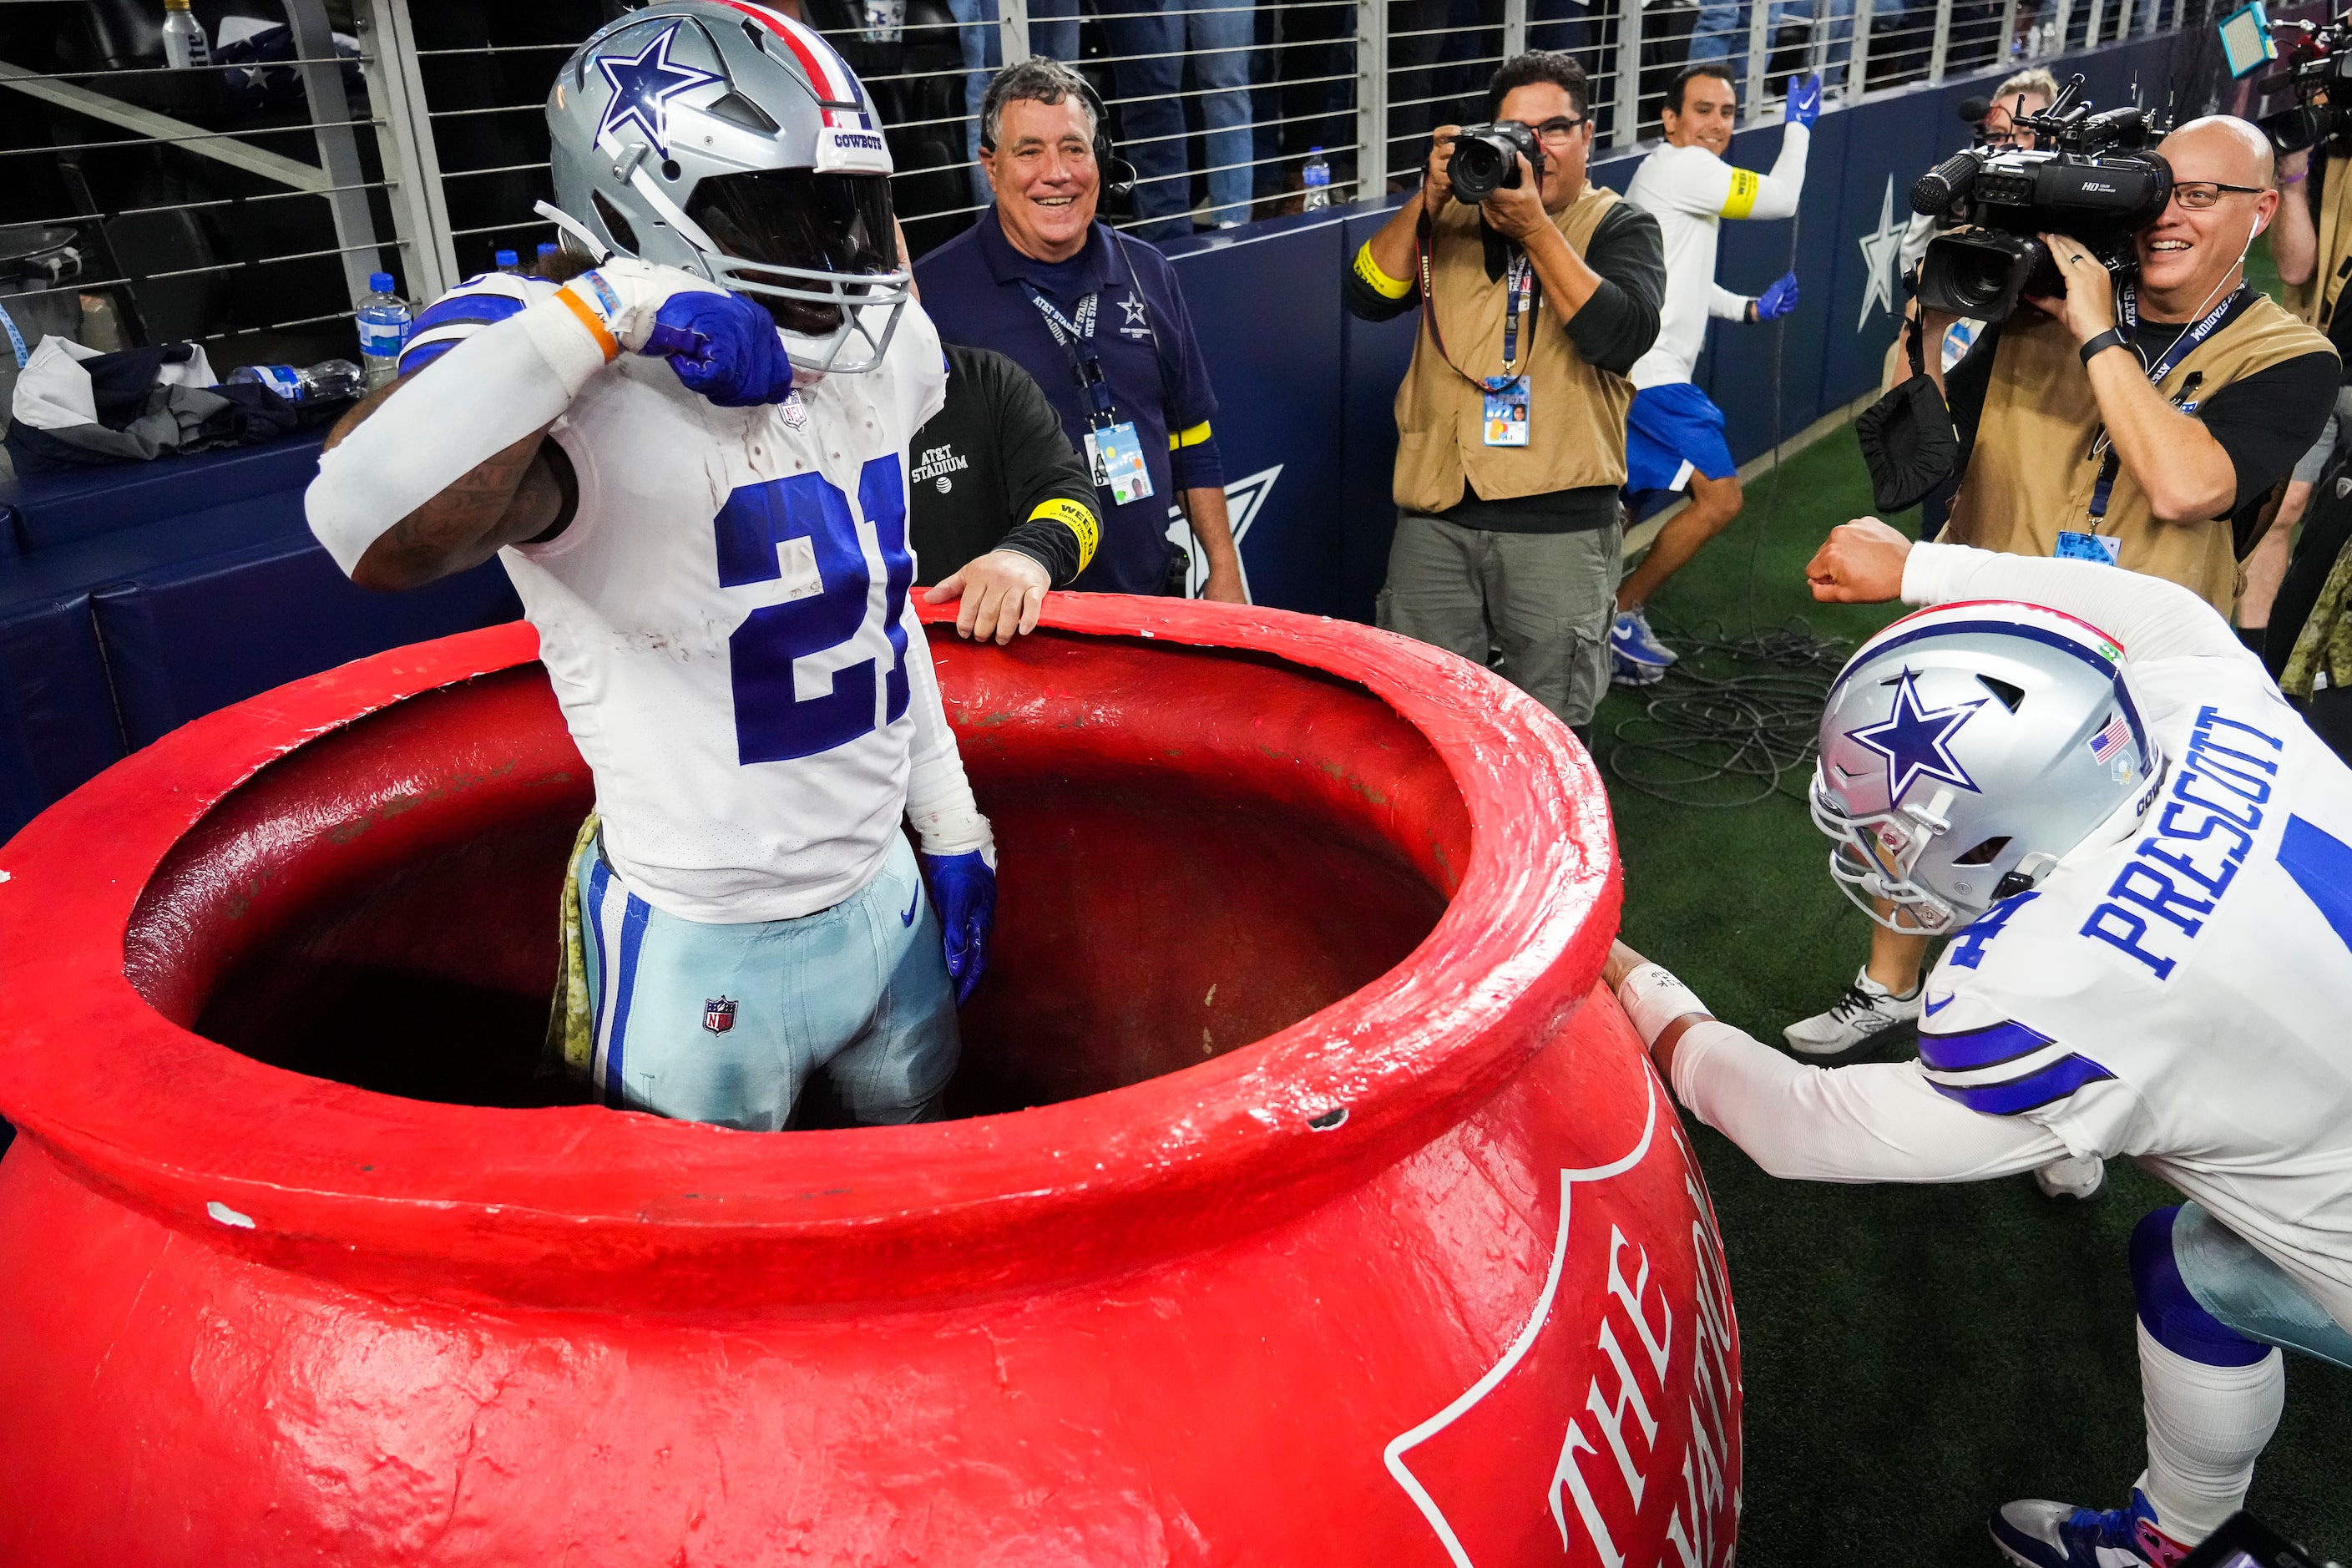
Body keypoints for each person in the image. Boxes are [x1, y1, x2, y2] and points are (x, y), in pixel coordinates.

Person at [305, 0, 997, 1132]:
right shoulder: (581, 392)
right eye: (789, 214)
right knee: (699, 1286)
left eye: (850, 211)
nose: (846, 260)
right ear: (642, 206)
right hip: (696, 951)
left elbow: (879, 607)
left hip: (887, 895)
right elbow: (363, 519)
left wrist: (950, 820)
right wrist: (600, 315)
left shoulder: (889, 355)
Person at [1607, 518, 2352, 1568]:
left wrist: (1635, 984)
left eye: (1888, 823)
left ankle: (2180, 1550)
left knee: (2193, 1269)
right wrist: (1916, 569)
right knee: (2189, 1264)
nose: (1874, 841)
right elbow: (2148, 609)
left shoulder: (2045, 990)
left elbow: (1791, 1123)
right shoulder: (2205, 693)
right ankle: (2173, 1534)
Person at [1784, 116, 2339, 1086]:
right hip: (1983, 624)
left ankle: (2062, 1045)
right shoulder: (2029, 307)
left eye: (2204, 197)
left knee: (2088, 869)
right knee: (1916, 812)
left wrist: (2097, 329)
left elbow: (2188, 486)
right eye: (2157, 188)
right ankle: (1890, 987)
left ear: (2259, 214)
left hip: (2136, 670)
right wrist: (1930, 313)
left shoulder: (2291, 355)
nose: (2170, 215)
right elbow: (1917, 426)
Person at [1343, 50, 1665, 741]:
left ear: (1586, 135)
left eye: (1553, 130)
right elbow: (1365, 296)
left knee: (1549, 734)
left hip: (1558, 528)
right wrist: (1424, 200)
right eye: (1516, 131)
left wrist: (1533, 229)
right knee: (1421, 718)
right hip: (1436, 514)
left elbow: (1620, 335)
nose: (1534, 149)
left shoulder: (1618, 225)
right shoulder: (1450, 215)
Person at [917, 57, 1247, 603]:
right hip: (1011, 630)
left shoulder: (1149, 272)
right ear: (990, 166)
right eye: (1029, 151)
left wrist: (1223, 566)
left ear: (1100, 161)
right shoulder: (933, 297)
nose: (1057, 172)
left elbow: (1189, 435)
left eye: (1073, 148)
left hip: (1148, 607)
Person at [1610, 63, 1817, 682]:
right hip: (1651, 374)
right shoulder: (1684, 167)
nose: (1717, 124)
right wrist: (1799, 130)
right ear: (1670, 120)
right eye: (1702, 110)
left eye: (1726, 113)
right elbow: (1782, 200)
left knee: (1619, 505)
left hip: (1632, 369)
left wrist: (1747, 309)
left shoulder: (1665, 174)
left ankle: (1579, 617)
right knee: (1720, 499)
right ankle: (1617, 614)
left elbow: (1684, 280)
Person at [912, 341, 1104, 642]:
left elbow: (1068, 495)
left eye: (896, 290)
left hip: (999, 643)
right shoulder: (811, 411)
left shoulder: (987, 378)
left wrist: (1028, 554)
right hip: (858, 651)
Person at [2253, 122, 2352, 657]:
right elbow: (2295, 267)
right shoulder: (2330, 155)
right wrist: (2293, 179)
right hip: (2319, 355)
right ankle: (2256, 657)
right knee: (2279, 508)